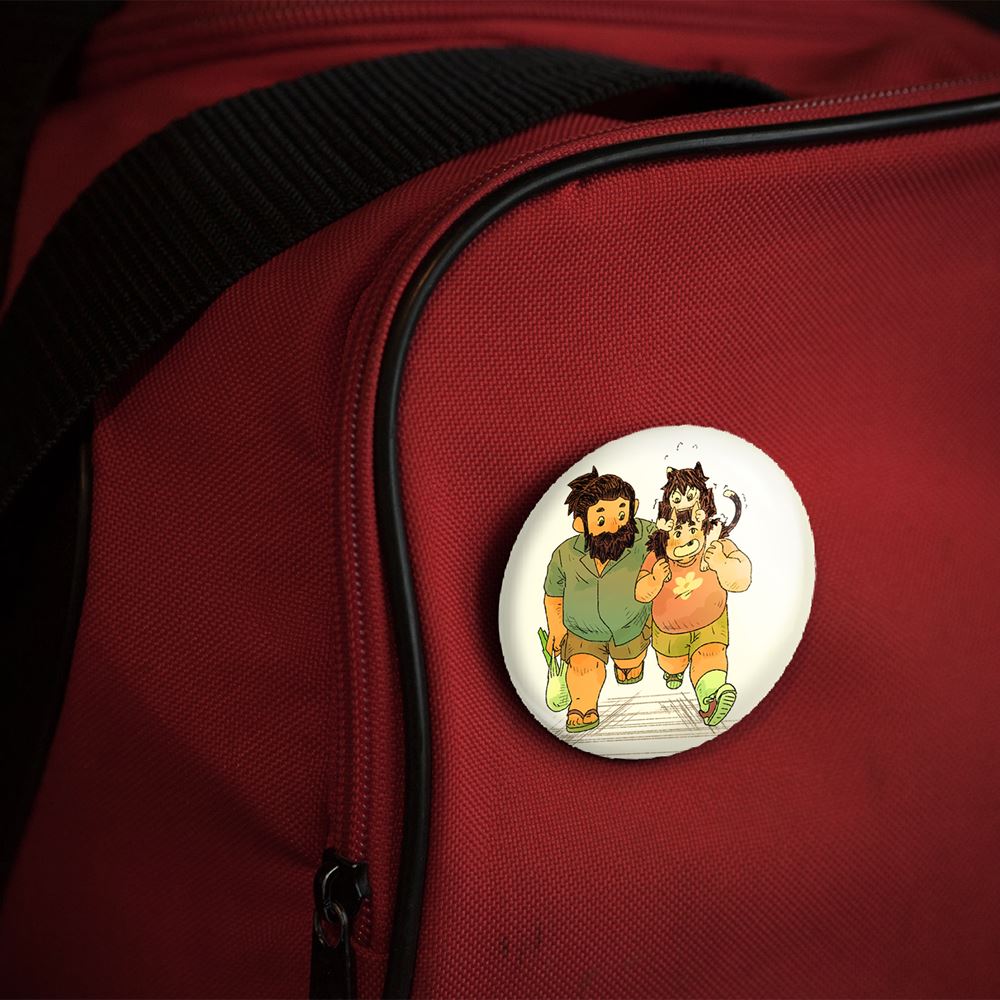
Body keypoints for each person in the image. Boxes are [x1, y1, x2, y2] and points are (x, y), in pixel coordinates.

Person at [543, 468, 653, 733]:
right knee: (584, 668)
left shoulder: (645, 535)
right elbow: (553, 593)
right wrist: (556, 627)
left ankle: (629, 666)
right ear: (581, 525)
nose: (614, 526)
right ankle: (582, 707)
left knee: (629, 663)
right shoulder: (565, 555)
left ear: (633, 509)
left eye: (622, 515)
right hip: (583, 631)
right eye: (601, 519)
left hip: (631, 625)